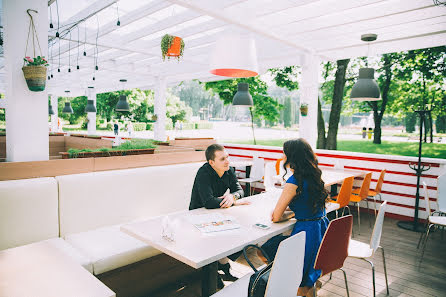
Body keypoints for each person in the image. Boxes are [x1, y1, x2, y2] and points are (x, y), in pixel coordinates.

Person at [259, 138, 329, 297]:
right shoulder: (315, 176)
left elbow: (276, 216)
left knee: (263, 250)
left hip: (306, 235)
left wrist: (284, 214)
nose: (282, 157)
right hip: (321, 230)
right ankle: (305, 281)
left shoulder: (294, 182)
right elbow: (309, 207)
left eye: (284, 154)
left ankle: (289, 282)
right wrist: (292, 213)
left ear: (292, 158)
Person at [189, 144, 250, 286]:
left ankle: (223, 265)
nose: (227, 161)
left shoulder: (229, 170)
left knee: (239, 232)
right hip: (197, 216)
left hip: (217, 213)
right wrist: (233, 202)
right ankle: (215, 273)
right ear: (212, 162)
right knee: (217, 239)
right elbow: (208, 201)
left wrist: (233, 197)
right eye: (223, 159)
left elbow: (240, 190)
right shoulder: (203, 173)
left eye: (227, 157)